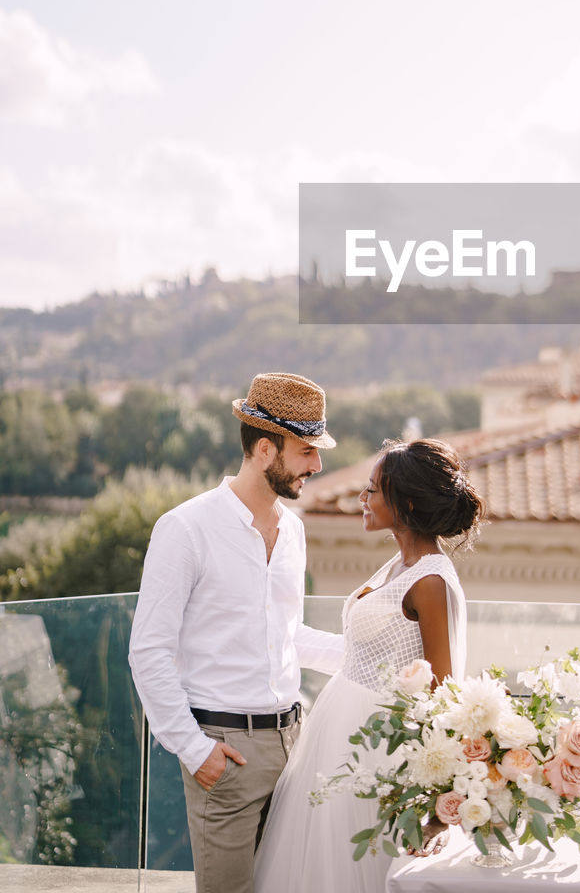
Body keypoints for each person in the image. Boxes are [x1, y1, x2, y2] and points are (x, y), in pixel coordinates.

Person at [129, 372, 344, 893]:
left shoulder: (292, 530)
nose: (317, 465)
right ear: (265, 450)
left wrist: (371, 656)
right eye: (306, 451)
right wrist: (192, 748)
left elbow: (286, 635)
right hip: (225, 751)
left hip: (295, 744)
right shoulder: (185, 529)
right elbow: (149, 650)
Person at [253, 437, 484, 893]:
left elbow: (444, 693)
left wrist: (437, 800)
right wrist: (270, 636)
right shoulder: (399, 564)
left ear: (407, 501)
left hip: (379, 750)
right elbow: (363, 653)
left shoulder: (432, 580)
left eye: (374, 489)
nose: (363, 497)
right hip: (339, 731)